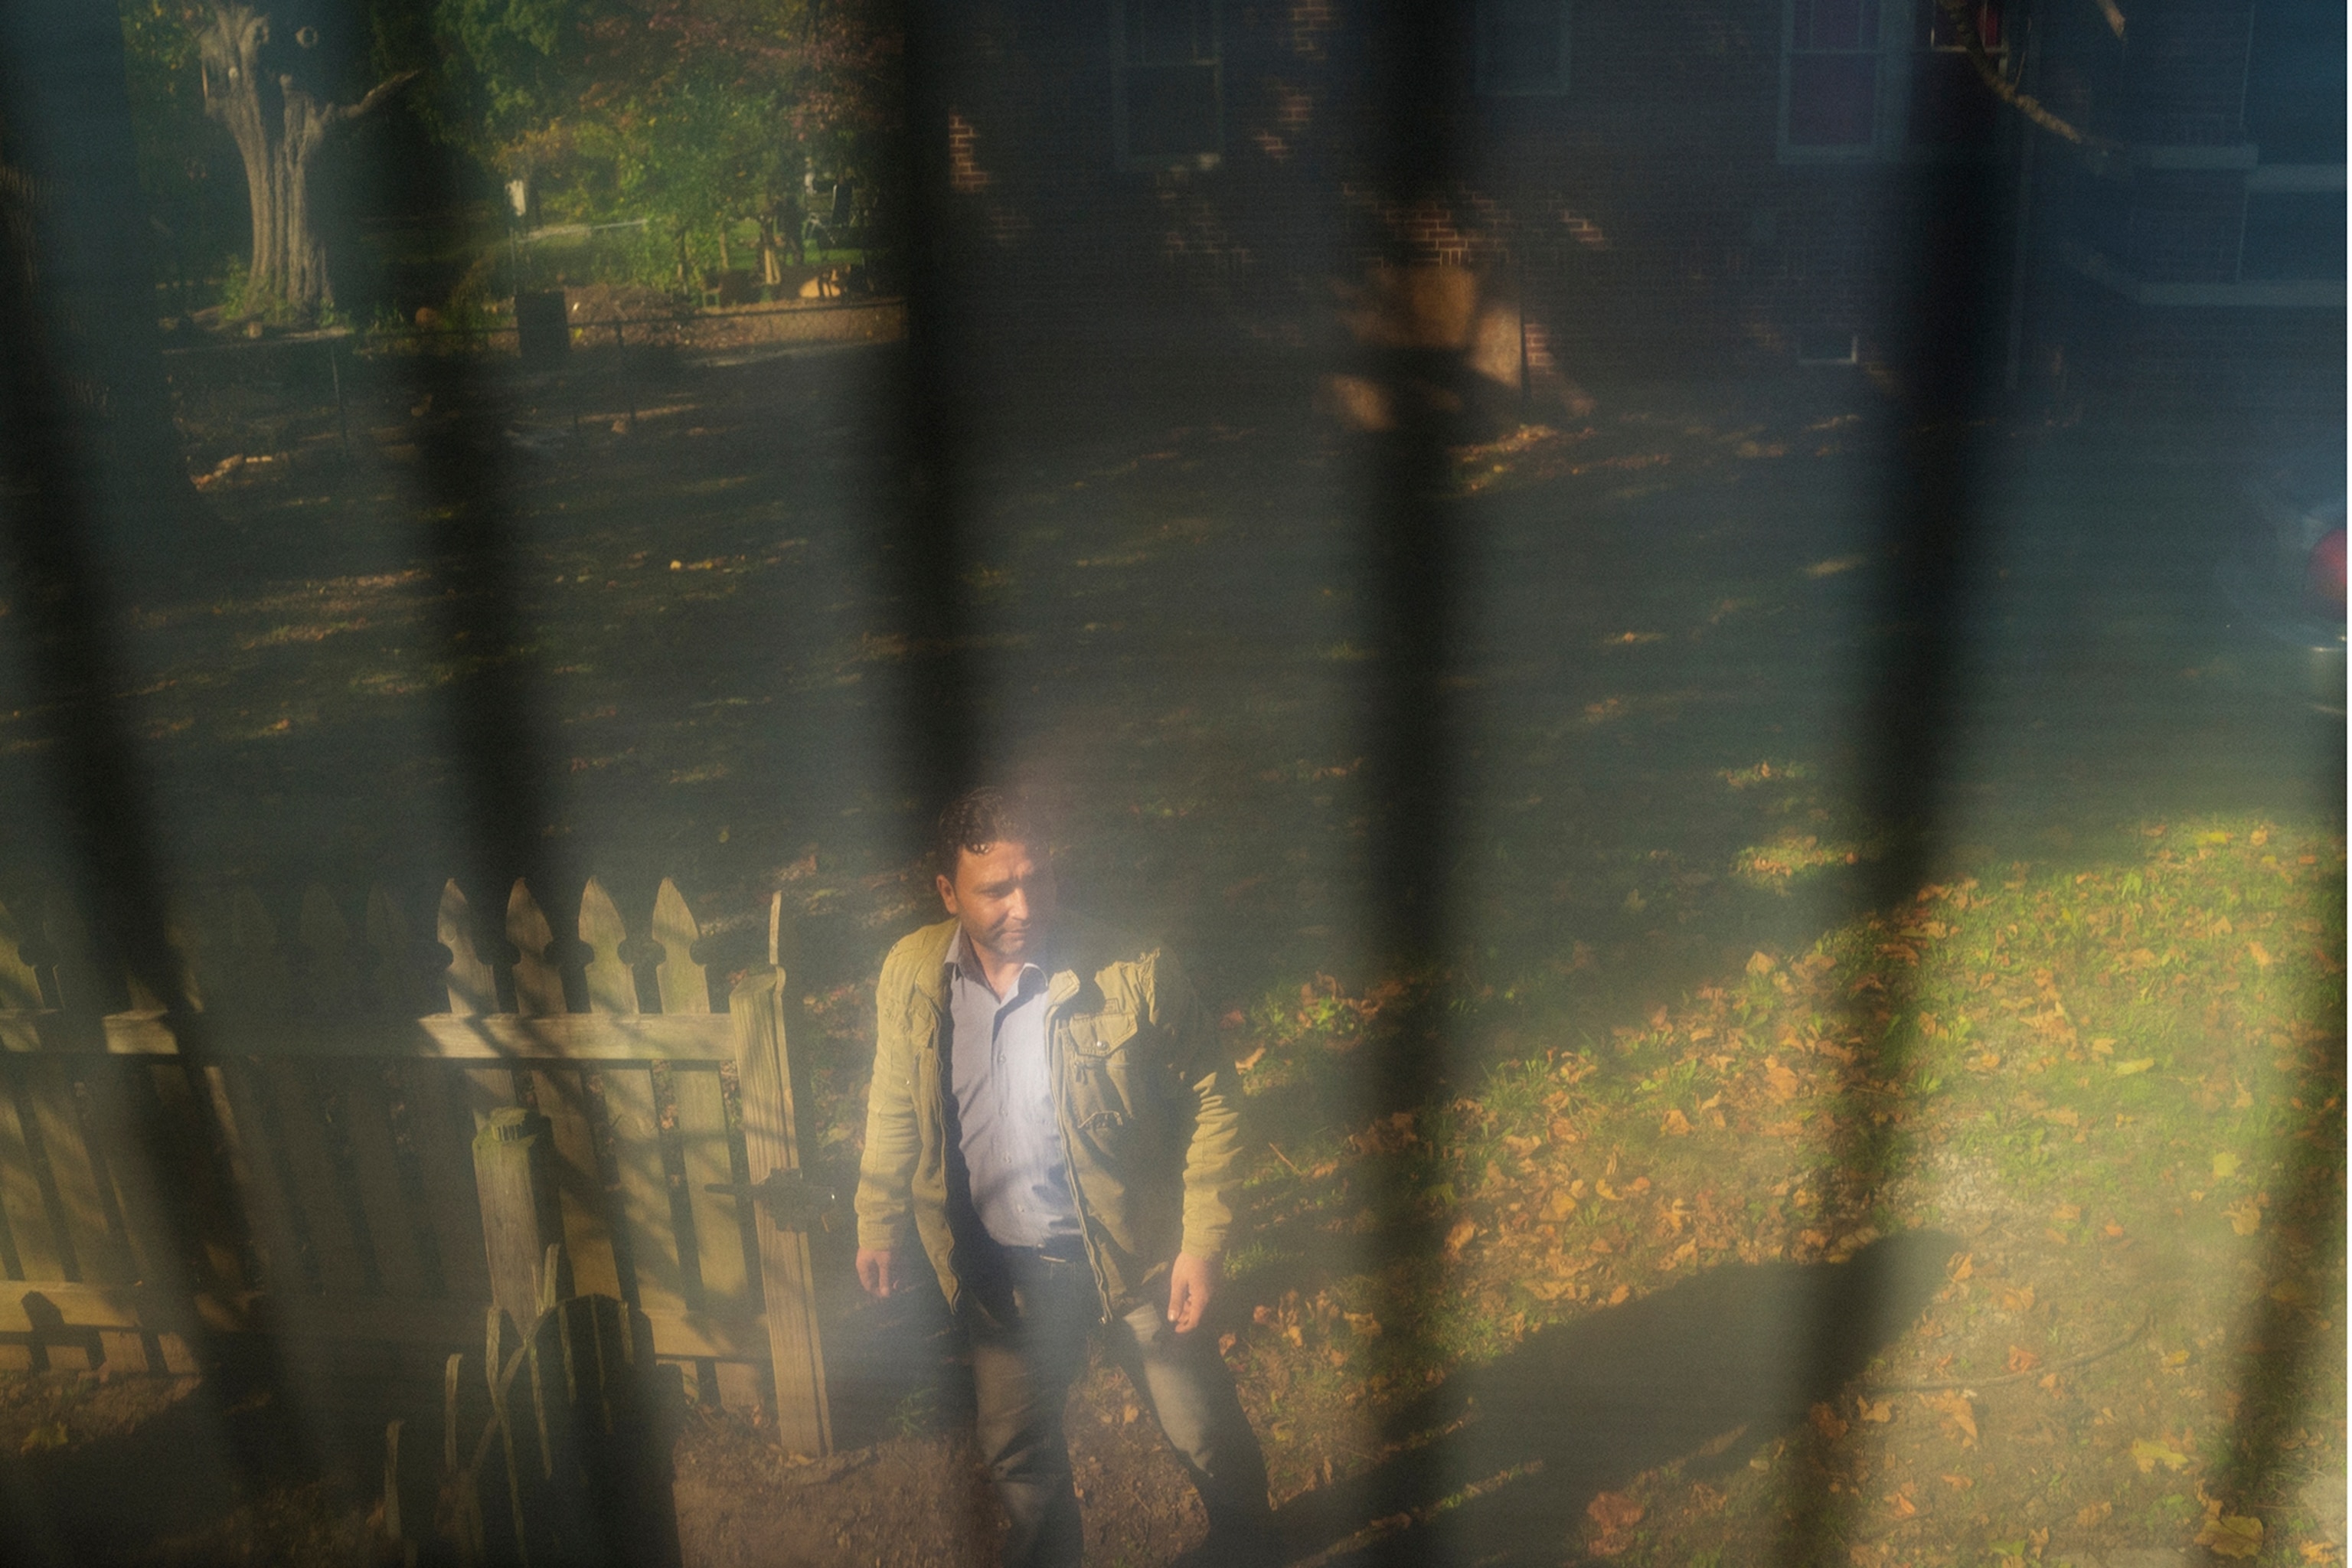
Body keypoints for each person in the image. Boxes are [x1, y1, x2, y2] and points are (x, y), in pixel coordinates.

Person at [854, 787, 1275, 1567]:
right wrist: (876, 1215)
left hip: (1133, 1256)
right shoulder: (912, 972)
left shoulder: (1136, 973)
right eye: (996, 888)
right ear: (947, 892)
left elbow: (1217, 1097)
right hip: (1000, 1266)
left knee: (1204, 1430)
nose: (1025, 904)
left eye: (1038, 878)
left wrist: (1202, 1241)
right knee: (1015, 1448)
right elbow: (893, 1101)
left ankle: (1253, 1543)